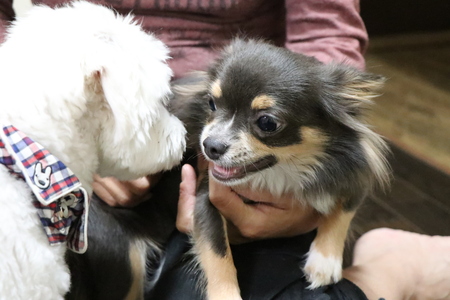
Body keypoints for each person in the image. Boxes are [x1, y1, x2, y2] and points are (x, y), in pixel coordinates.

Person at [1, 1, 450, 299]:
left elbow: (327, 39)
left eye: (266, 123)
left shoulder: (324, 129)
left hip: (257, 89)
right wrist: (86, 143)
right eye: (215, 109)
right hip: (75, 130)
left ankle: (392, 267)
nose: (214, 142)